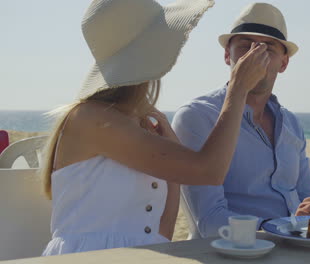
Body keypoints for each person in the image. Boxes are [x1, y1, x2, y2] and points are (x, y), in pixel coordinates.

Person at [41, 0, 271, 255]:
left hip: (140, 256)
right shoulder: (90, 118)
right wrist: (238, 90)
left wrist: (172, 145)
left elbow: (159, 232)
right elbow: (210, 171)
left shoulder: (134, 122)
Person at [172, 2, 310, 238]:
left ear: (283, 63)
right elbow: (209, 223)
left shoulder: (290, 122)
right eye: (245, 45)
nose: (255, 54)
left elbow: (308, 197)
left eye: (268, 47)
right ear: (227, 55)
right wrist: (289, 225)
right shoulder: (197, 117)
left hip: (295, 248)